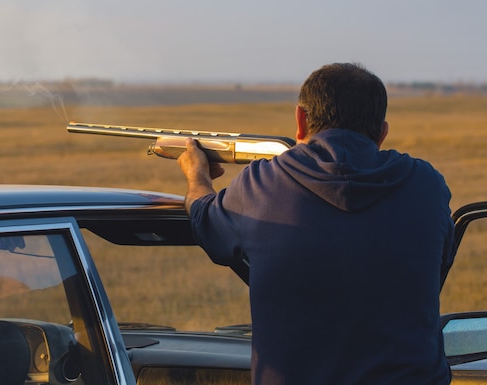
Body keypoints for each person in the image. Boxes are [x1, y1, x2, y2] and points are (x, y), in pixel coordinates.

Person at [176, 63, 455, 385]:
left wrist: (196, 174)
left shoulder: (261, 184)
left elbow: (204, 219)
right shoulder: (427, 185)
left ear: (301, 120)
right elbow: (440, 261)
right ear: (382, 132)